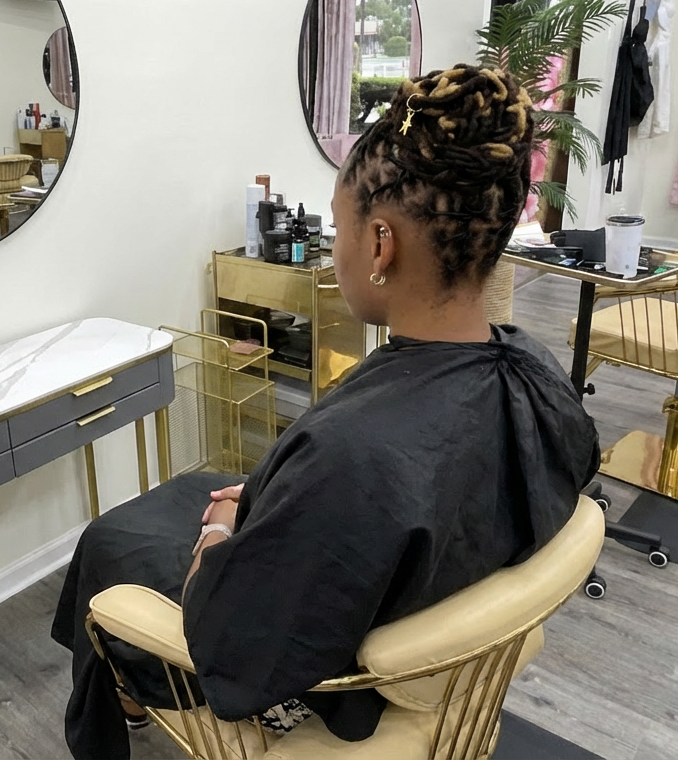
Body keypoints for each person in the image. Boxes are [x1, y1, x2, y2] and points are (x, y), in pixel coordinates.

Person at [51, 65, 601, 759]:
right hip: (410, 579)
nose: (335, 249)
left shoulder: (352, 453)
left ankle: (124, 701)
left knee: (109, 540)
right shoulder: (536, 371)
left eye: (338, 229)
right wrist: (276, 495)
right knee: (204, 487)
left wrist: (222, 532)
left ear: (380, 244)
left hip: (348, 676)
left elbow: (229, 638)